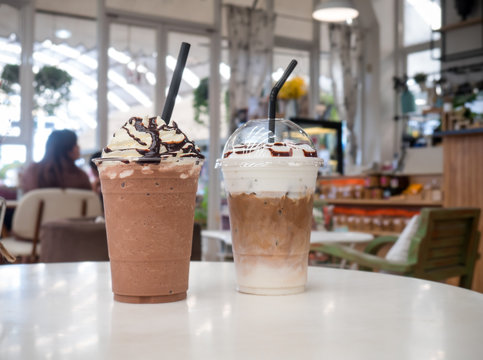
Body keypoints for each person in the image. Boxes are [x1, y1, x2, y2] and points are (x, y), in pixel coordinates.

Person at [21, 129, 92, 194]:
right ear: (67, 149)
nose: (79, 147)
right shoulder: (80, 176)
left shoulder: (33, 171)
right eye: (75, 144)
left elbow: (30, 201)